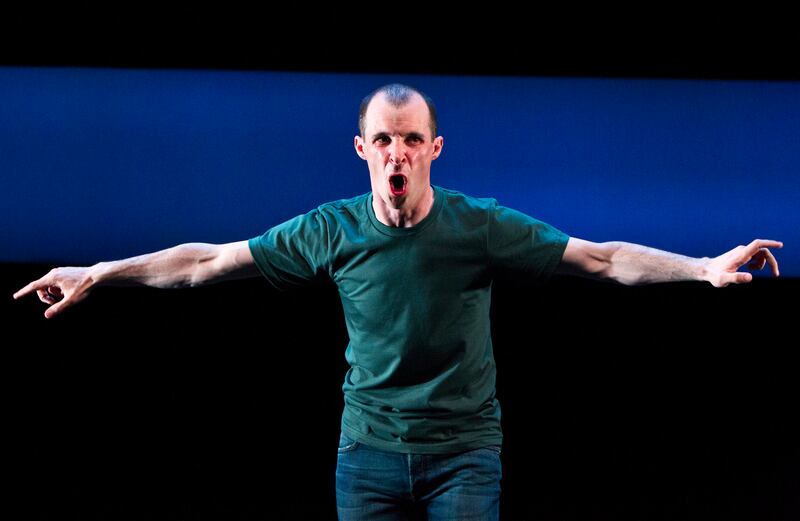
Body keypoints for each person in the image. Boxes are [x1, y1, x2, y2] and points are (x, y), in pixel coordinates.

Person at [13, 83, 782, 520]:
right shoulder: (330, 229)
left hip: (465, 458)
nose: (398, 154)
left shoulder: (478, 224)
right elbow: (210, 262)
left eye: (412, 140)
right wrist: (104, 268)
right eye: (384, 141)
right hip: (367, 457)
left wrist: (702, 266)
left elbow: (603, 258)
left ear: (433, 150)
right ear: (363, 151)